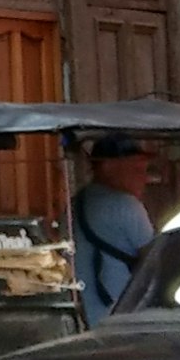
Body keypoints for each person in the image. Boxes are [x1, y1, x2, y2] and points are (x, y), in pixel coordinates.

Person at [70, 135, 159, 326]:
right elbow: (154, 262)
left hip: (81, 318)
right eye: (136, 170)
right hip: (117, 318)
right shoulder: (127, 206)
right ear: (108, 167)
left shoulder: (77, 201)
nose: (144, 178)